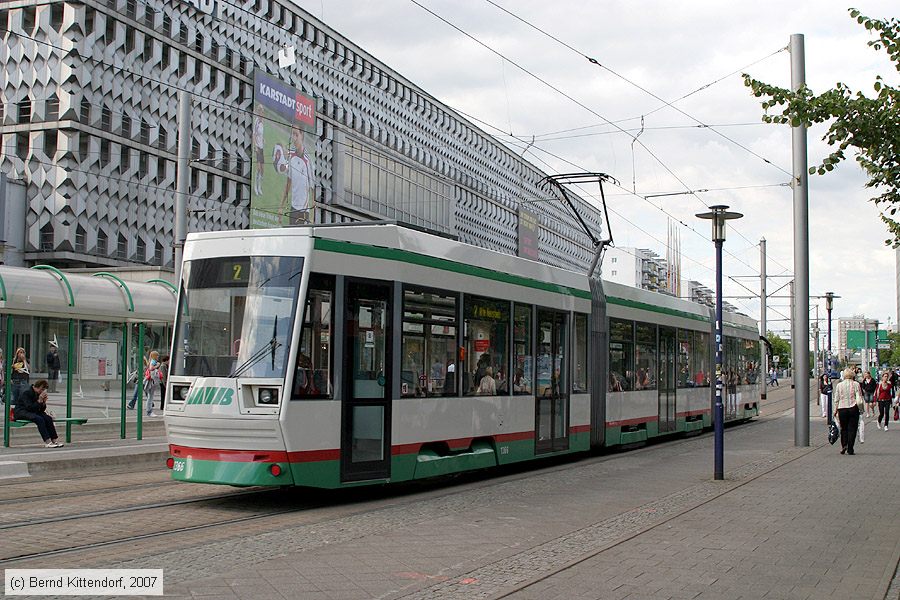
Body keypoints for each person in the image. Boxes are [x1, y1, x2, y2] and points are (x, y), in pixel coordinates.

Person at [14, 379, 63, 448]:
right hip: (22, 412)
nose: (42, 391)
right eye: (41, 389)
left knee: (48, 418)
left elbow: (41, 410)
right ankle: (47, 441)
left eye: (43, 390)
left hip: (32, 411)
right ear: (36, 387)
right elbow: (29, 407)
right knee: (39, 419)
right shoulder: (26, 392)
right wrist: (39, 401)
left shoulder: (38, 393)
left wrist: (43, 402)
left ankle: (54, 440)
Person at [279, 127, 314, 225]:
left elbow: (313, 189)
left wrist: (312, 216)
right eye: (293, 134)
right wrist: (281, 208)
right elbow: (287, 185)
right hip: (293, 209)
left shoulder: (308, 161)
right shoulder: (292, 158)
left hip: (303, 211)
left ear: (302, 136)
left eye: (296, 135)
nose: (294, 138)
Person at [833, 367, 864, 455]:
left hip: (842, 408)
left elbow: (836, 398)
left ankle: (844, 445)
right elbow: (860, 397)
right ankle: (850, 448)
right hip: (853, 408)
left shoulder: (839, 385)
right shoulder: (856, 384)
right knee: (852, 428)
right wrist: (861, 410)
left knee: (844, 428)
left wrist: (835, 410)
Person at [253, 104, 265, 195]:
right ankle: (256, 187)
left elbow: (260, 134)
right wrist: (255, 146)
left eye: (262, 112)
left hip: (262, 147)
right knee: (258, 167)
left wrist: (263, 140)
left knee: (262, 169)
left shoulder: (262, 122)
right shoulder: (256, 121)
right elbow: (254, 134)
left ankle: (260, 186)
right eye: (260, 111)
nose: (261, 114)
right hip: (257, 147)